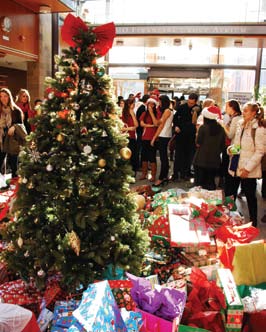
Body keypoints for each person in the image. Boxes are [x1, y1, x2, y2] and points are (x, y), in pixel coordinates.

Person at [226, 102, 265, 227]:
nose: (243, 112)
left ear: (254, 113)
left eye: (246, 110)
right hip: (235, 165)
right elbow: (237, 144)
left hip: (248, 169)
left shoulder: (259, 128)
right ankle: (228, 218)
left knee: (250, 197)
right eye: (243, 110)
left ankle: (253, 223)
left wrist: (247, 169)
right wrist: (230, 149)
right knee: (230, 194)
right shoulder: (241, 124)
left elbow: (260, 151)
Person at [193, 106, 226, 190]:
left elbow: (198, 143)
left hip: (201, 159)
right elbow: (222, 146)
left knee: (199, 185)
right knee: (211, 183)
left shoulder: (203, 128)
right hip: (215, 160)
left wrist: (197, 133)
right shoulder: (221, 129)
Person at [172, 93, 200, 181]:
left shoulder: (198, 109)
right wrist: (175, 126)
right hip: (180, 135)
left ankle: (185, 173)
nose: (190, 104)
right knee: (178, 155)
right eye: (189, 102)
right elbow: (175, 118)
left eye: (192, 103)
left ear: (195, 101)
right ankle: (176, 174)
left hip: (191, 136)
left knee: (189, 156)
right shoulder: (182, 107)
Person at [0, 88, 25, 178]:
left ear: (9, 97)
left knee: (14, 166)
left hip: (12, 141)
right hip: (1, 141)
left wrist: (14, 126)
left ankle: (16, 188)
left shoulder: (16, 110)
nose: (3, 98)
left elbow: (21, 127)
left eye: (5, 96)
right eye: (1, 96)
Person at [151, 95, 174, 186]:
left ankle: (161, 178)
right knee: (164, 158)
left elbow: (160, 125)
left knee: (163, 158)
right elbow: (158, 123)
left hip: (163, 136)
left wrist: (153, 138)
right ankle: (164, 176)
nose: (159, 103)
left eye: (160, 102)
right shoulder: (169, 111)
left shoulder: (167, 111)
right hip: (166, 135)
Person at [222, 99, 242, 192]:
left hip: (235, 150)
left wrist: (222, 125)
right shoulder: (234, 118)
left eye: (227, 106)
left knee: (232, 176)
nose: (225, 109)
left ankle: (230, 200)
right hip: (235, 149)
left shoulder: (236, 119)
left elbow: (230, 135)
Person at [139, 98, 160, 182]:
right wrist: (150, 126)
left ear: (155, 105)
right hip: (144, 137)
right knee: (144, 156)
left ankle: (153, 175)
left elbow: (156, 123)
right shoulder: (144, 113)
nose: (150, 106)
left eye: (152, 104)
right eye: (148, 104)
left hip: (153, 138)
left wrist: (151, 113)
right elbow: (141, 124)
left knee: (152, 156)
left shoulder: (157, 113)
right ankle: (144, 174)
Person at [121, 98, 139, 176]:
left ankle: (132, 173)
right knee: (125, 156)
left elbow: (136, 125)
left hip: (132, 137)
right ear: (128, 105)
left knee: (133, 155)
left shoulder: (132, 112)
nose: (134, 105)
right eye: (133, 104)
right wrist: (129, 128)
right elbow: (120, 127)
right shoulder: (122, 113)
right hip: (125, 137)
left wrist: (132, 114)